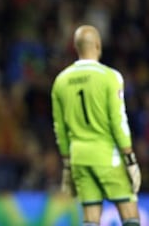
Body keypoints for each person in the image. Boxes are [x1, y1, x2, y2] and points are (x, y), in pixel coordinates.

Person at [51, 25, 141, 226]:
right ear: (98, 45)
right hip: (108, 156)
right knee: (130, 215)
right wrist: (130, 158)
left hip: (79, 158)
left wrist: (67, 164)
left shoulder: (61, 81)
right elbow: (119, 121)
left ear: (76, 47)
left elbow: (60, 128)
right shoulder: (110, 77)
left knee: (91, 218)